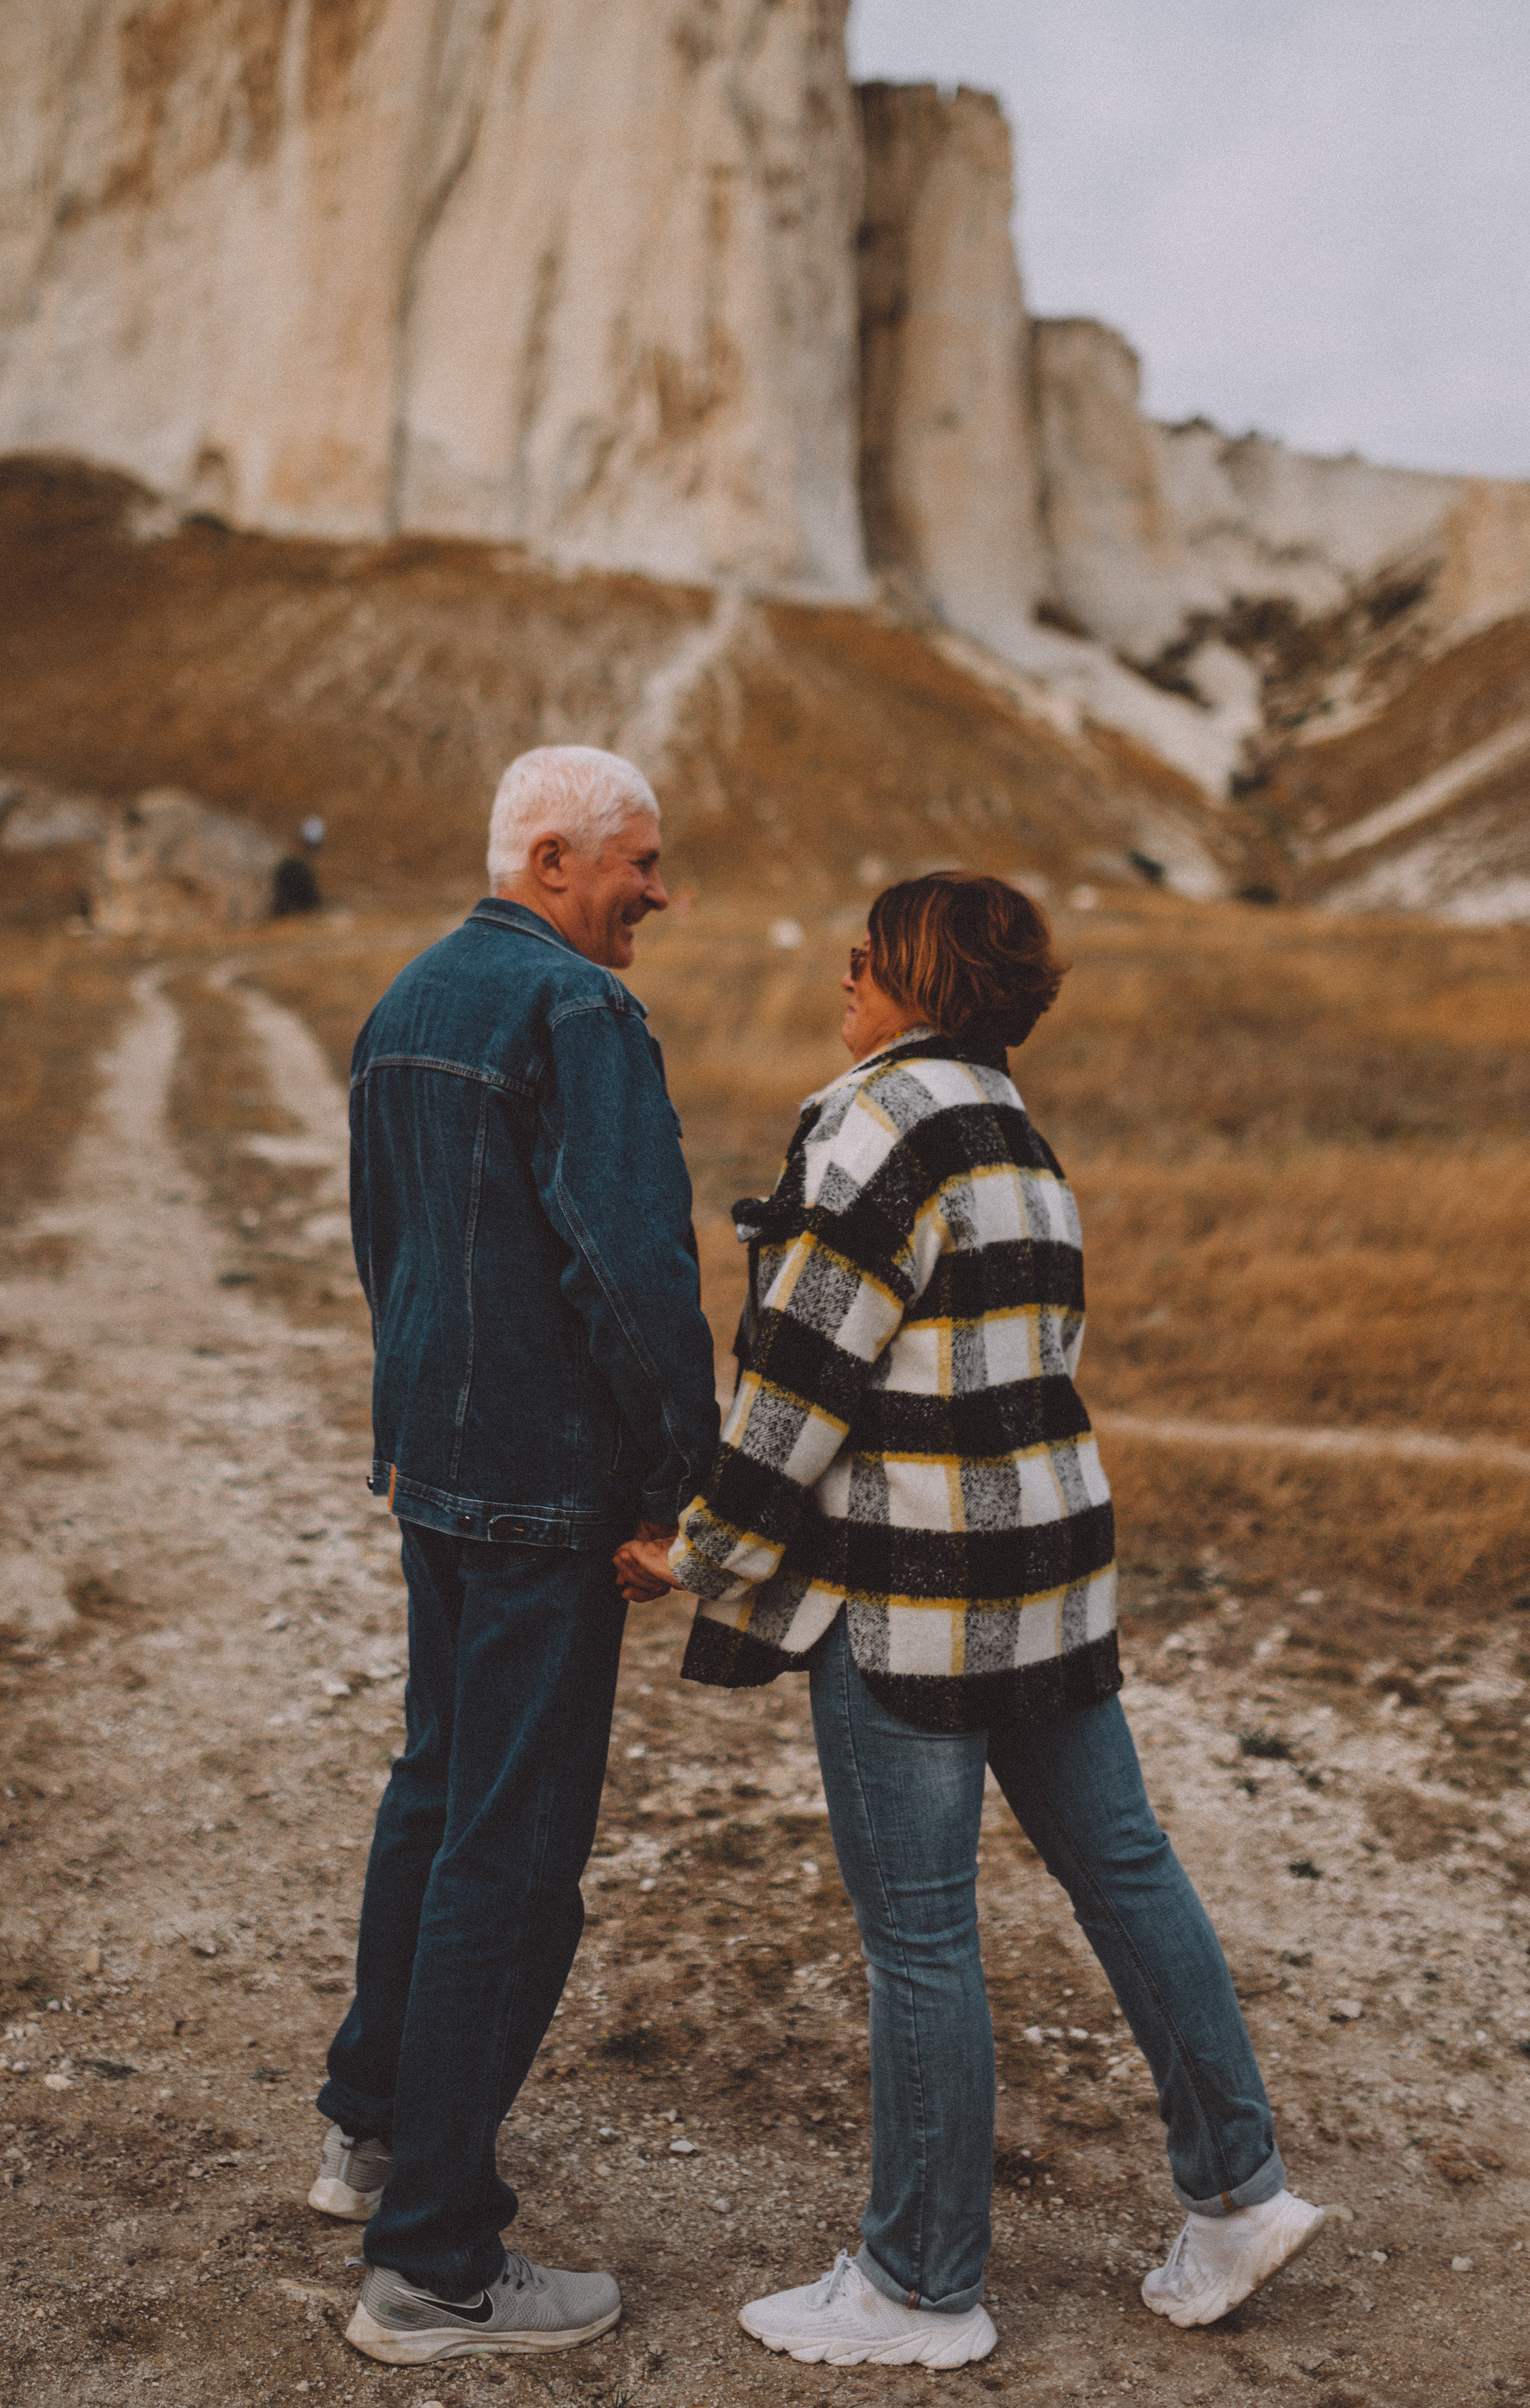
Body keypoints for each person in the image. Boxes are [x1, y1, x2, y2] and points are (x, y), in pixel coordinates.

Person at [615, 870, 1326, 2373]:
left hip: (913, 1604)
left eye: (866, 949)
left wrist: (699, 1553)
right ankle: (1237, 2193)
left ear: (915, 972)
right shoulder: (1019, 1138)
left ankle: (921, 2285)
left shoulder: (873, 1125)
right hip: (1048, 1585)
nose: (842, 966)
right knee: (1126, 1873)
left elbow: (803, 1378)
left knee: (921, 1937)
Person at [317, 745, 720, 2368]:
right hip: (546, 1488)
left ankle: (365, 2130)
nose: (657, 888)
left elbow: (381, 1245)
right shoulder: (578, 1013)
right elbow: (632, 1267)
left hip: (435, 1466)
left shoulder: (408, 998)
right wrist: (672, 1475)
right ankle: (432, 2265)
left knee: (433, 1795)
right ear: (549, 859)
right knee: (511, 1848)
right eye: (635, 860)